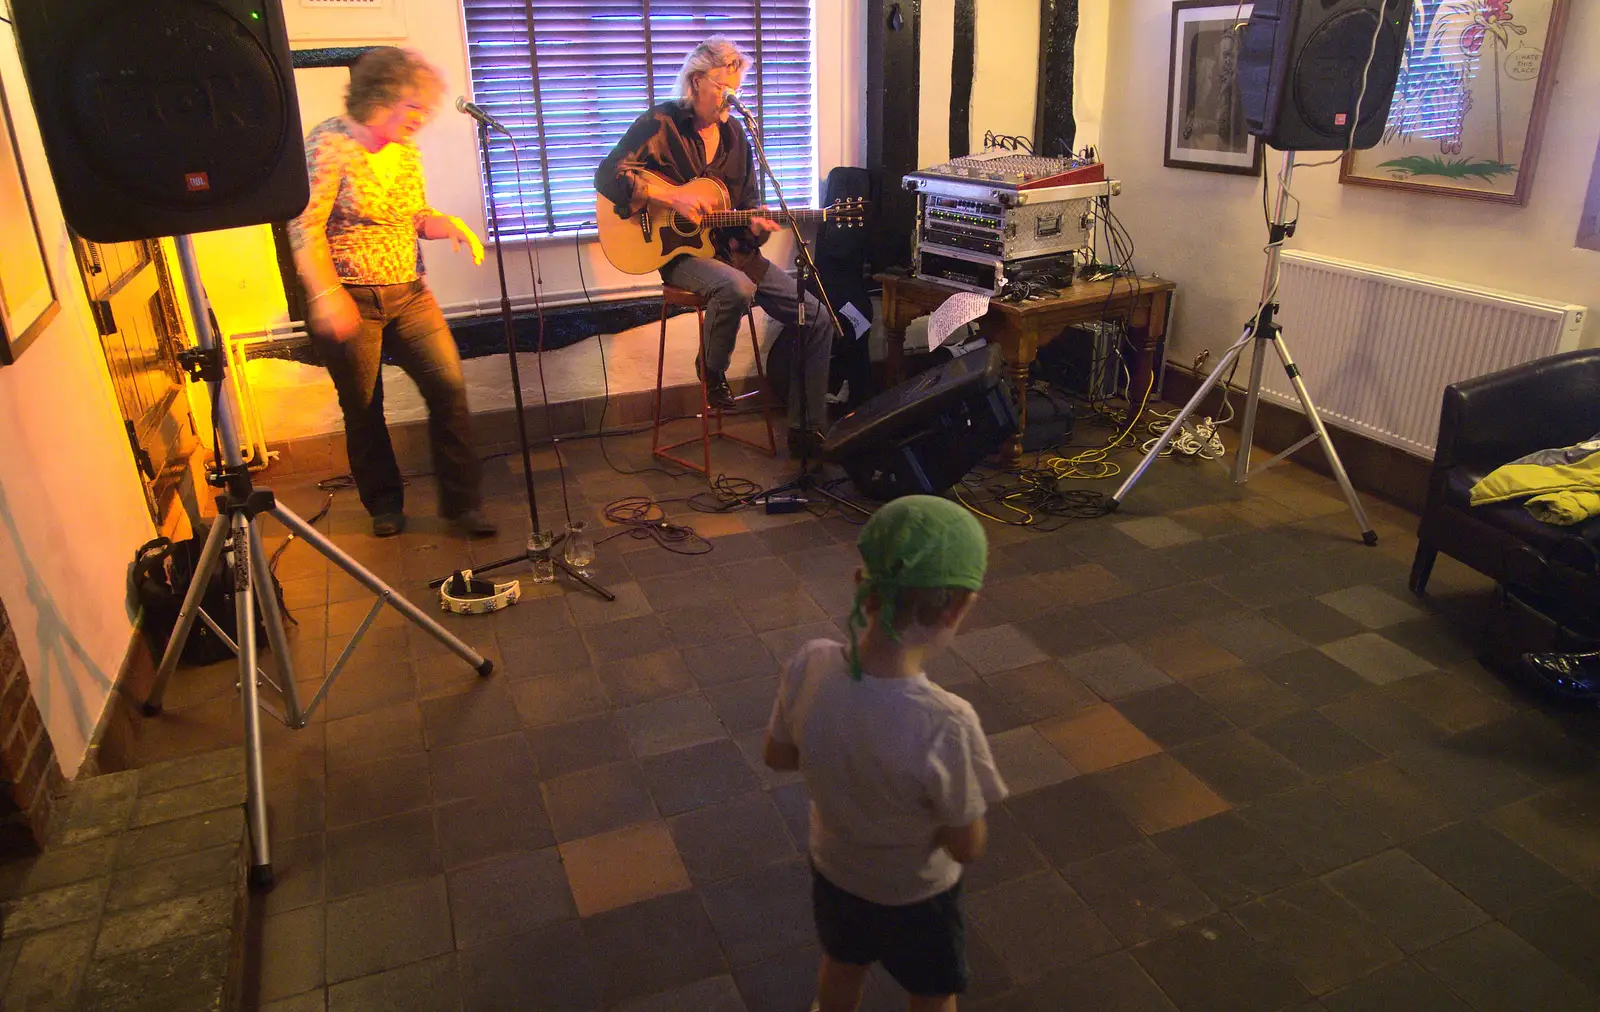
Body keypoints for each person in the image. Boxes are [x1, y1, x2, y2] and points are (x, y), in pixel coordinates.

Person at [764, 496, 1008, 1012]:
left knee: (841, 967)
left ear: (861, 586)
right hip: (918, 896)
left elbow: (779, 757)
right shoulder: (946, 723)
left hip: (836, 873)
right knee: (931, 990)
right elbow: (966, 846)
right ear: (958, 608)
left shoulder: (809, 663)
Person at [289, 47, 497, 539]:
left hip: (408, 293)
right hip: (351, 296)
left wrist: (444, 224)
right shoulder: (329, 144)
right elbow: (304, 227)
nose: (421, 120)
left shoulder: (405, 152)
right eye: (414, 108)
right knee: (363, 406)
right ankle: (384, 503)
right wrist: (326, 294)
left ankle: (462, 506)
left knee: (448, 389)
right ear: (381, 98)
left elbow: (415, 215)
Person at [594, 36, 835, 459]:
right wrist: (673, 198)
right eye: (724, 87)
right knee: (736, 289)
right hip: (679, 256)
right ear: (696, 81)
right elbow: (608, 176)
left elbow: (746, 210)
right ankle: (711, 371)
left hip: (735, 255)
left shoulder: (736, 136)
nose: (731, 97)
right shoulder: (661, 124)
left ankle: (807, 430)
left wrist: (759, 227)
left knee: (816, 318)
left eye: (736, 87)